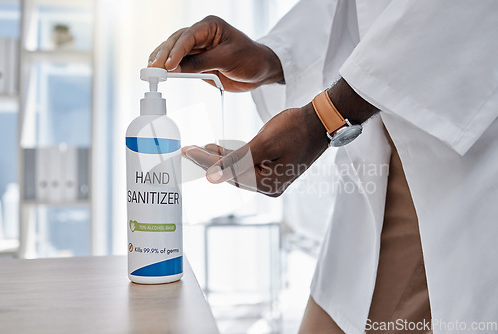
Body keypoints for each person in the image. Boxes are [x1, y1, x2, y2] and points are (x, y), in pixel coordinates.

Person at [148, 1, 498, 333]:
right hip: (371, 169)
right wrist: (273, 59)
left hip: (456, 162)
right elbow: (352, 12)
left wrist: (325, 117)